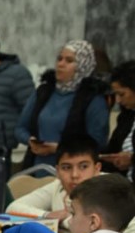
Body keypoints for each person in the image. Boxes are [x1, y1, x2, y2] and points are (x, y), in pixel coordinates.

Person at [16, 40, 109, 168]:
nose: (61, 64)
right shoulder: (44, 92)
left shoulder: (92, 99)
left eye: (69, 61)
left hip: (73, 171)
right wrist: (30, 141)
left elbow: (97, 143)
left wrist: (59, 148)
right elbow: (20, 128)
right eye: (59, 59)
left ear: (83, 66)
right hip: (36, 167)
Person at [6, 136, 122, 231]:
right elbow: (13, 208)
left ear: (97, 168)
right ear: (57, 171)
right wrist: (47, 215)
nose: (75, 175)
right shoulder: (58, 186)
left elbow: (92, 229)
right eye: (66, 167)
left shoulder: (113, 189)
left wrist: (65, 220)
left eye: (83, 166)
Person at [101, 60, 135, 183]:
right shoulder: (126, 116)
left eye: (122, 94)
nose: (118, 100)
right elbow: (113, 148)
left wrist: (131, 159)